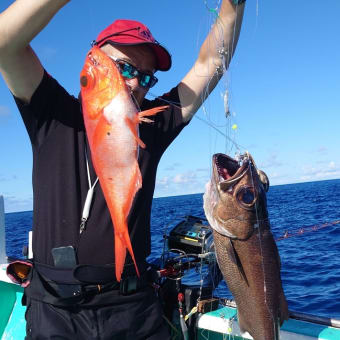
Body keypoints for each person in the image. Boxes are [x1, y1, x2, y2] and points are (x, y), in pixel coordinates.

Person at [0, 0, 245, 339]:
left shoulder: (152, 125)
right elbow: (4, 44)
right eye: (125, 68)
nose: (135, 84)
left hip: (134, 309)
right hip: (54, 312)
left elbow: (212, 62)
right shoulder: (51, 115)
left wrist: (234, 6)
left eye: (145, 77)